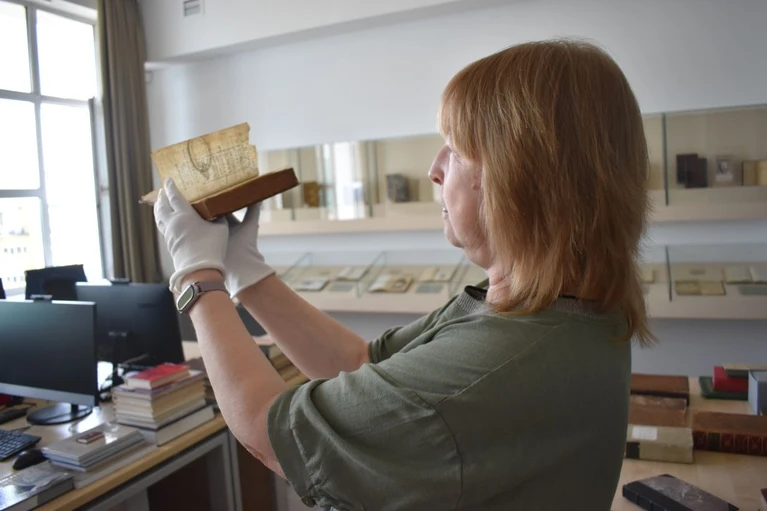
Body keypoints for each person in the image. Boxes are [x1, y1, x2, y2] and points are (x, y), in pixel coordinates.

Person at [154, 39, 653, 511]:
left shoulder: (500, 358)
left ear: (520, 178)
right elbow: (360, 363)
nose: (435, 169)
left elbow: (271, 435)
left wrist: (197, 278)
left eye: (456, 150)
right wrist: (247, 273)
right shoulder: (539, 309)